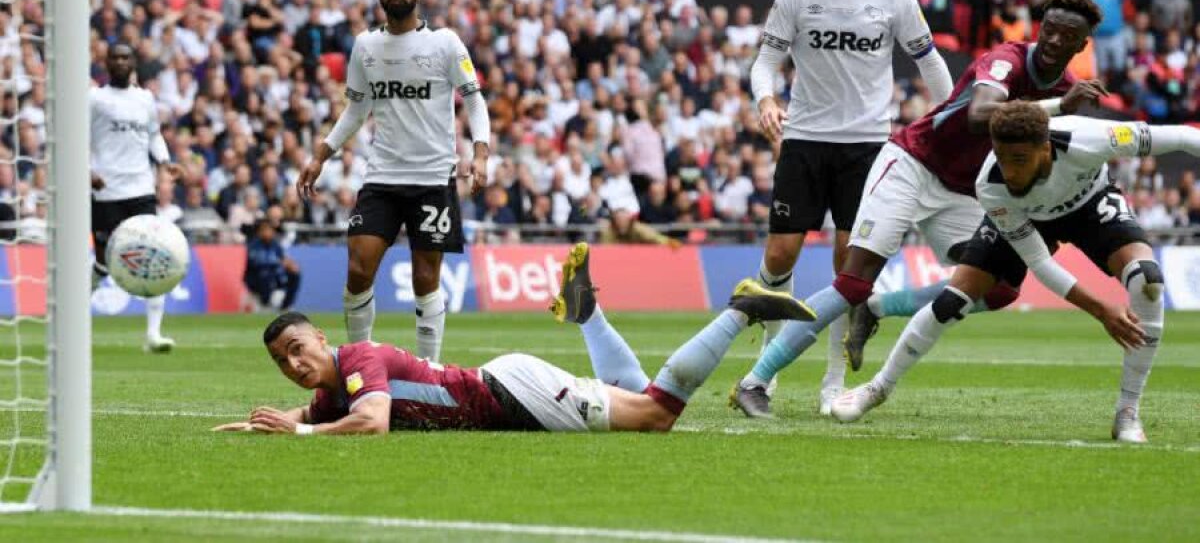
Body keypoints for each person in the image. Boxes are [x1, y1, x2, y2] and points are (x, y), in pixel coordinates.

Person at [732, 0, 1110, 418]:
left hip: (965, 193)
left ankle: (875, 310)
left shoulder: (1068, 93)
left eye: (1067, 36)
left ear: (1082, 46)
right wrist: (1061, 106)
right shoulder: (1007, 60)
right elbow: (979, 115)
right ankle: (754, 382)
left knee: (1000, 286)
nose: (1055, 41)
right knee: (853, 280)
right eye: (1050, 30)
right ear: (1038, 29)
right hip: (912, 163)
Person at [833, 103, 1199, 442]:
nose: (1009, 170)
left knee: (1148, 280)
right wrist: (1101, 309)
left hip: (1090, 204)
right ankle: (877, 388)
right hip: (1029, 217)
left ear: (1046, 147)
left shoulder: (1092, 138)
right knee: (951, 301)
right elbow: (1041, 263)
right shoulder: (993, 186)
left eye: (1019, 159)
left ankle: (1127, 411)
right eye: (1002, 157)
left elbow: (1183, 136)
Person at [212, 244, 815, 435]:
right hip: (508, 386)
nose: (292, 365)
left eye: (297, 349)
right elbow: (309, 410)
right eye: (281, 361)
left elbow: (372, 422)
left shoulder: (359, 359)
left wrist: (304, 432)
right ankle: (587, 316)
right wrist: (265, 423)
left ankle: (741, 310)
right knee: (632, 393)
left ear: (321, 337)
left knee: (656, 415)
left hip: (513, 394)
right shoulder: (334, 388)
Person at [746, 0, 954, 413]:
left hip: (866, 148)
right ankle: (766, 373)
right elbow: (765, 62)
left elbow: (930, 64)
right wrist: (766, 99)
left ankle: (832, 383)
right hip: (805, 140)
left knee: (849, 268)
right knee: (779, 254)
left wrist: (952, 122)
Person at [296, 0, 490, 362]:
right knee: (358, 270)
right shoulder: (366, 46)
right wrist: (321, 154)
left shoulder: (445, 43)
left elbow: (473, 98)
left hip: (433, 177)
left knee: (425, 279)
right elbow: (355, 108)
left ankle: (429, 372)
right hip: (382, 176)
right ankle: (359, 362)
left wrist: (480, 152)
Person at [90, 43, 184, 353]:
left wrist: (165, 161)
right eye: (115, 57)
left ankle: (154, 334)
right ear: (106, 63)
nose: (120, 61)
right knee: (103, 264)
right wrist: (88, 171)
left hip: (140, 189)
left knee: (155, 257)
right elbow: (78, 137)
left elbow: (153, 135)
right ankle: (75, 324)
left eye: (125, 57)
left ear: (132, 63)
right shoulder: (94, 99)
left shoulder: (144, 99)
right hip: (106, 192)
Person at [244, 218, 301, 311]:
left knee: (295, 274)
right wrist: (279, 262)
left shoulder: (275, 245)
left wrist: (290, 264)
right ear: (259, 232)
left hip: (274, 276)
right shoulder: (253, 245)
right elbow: (257, 261)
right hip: (255, 278)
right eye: (265, 230)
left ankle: (285, 306)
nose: (268, 232)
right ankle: (265, 303)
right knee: (265, 274)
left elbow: (283, 258)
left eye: (270, 230)